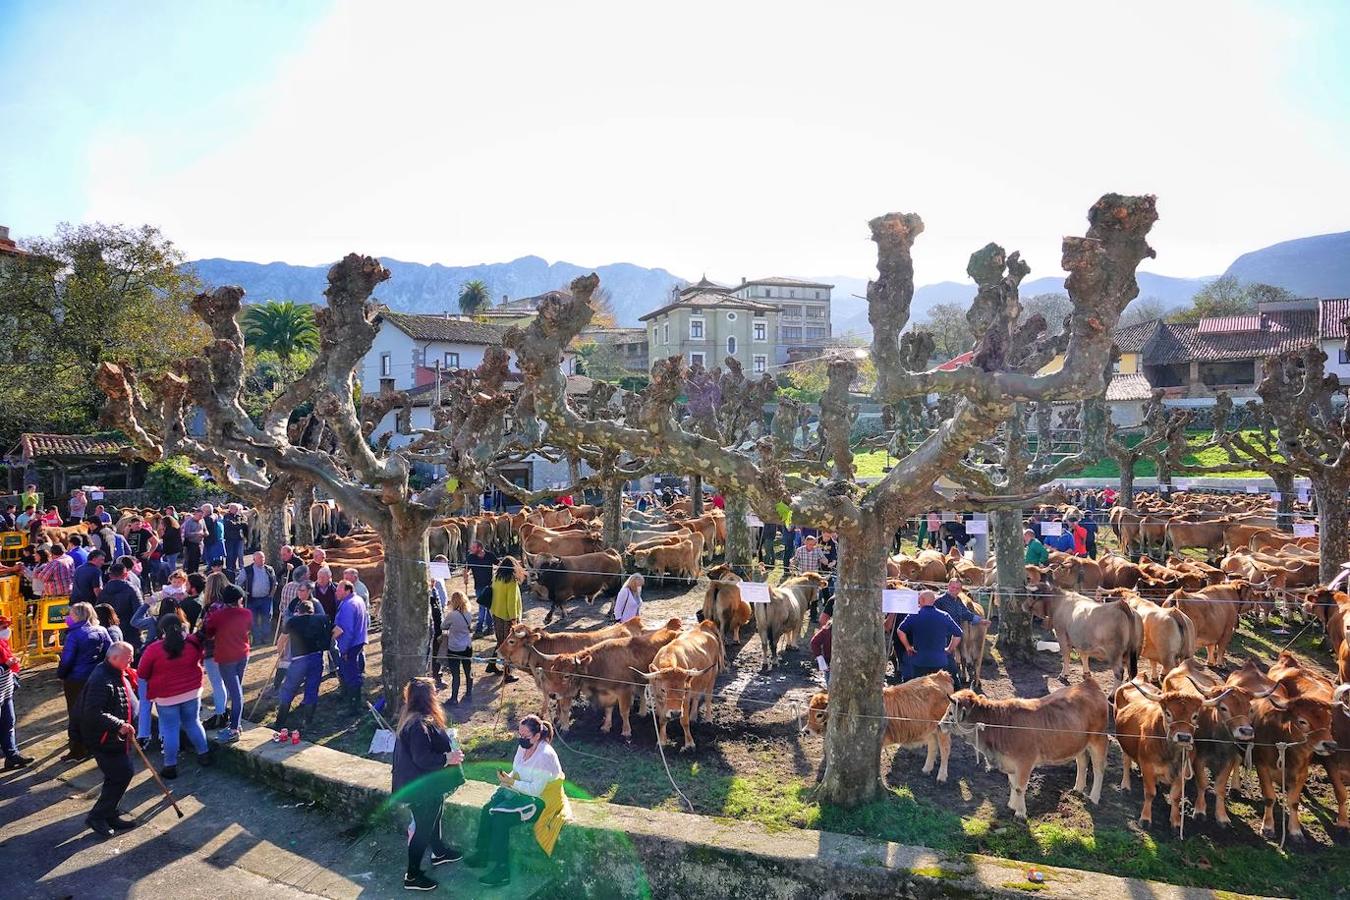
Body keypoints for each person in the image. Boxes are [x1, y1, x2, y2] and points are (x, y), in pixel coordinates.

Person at [463, 714, 570, 887]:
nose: (521, 739)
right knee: (488, 808)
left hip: (542, 800)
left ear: (537, 736)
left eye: (525, 736)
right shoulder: (524, 746)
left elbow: (536, 790)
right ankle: (482, 854)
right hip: (524, 792)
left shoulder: (544, 756)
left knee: (500, 819)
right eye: (519, 735)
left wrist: (512, 782)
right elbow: (517, 770)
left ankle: (502, 871)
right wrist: (507, 778)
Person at [392, 677, 466, 891]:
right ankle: (412, 876)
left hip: (421, 784)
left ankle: (439, 852)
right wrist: (448, 758)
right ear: (428, 697)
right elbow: (422, 758)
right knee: (423, 828)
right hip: (421, 787)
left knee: (435, 814)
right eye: (434, 692)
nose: (437, 695)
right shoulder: (419, 724)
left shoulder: (412, 718)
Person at [137, 614, 213, 779]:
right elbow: (200, 658)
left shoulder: (154, 649)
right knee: (193, 723)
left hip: (166, 697)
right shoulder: (192, 643)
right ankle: (204, 754)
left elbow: (142, 673)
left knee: (170, 729)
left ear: (162, 630)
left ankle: (170, 766)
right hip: (192, 692)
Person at [79, 641, 140, 837]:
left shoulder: (115, 672)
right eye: (127, 657)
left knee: (118, 776)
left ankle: (110, 813)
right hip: (104, 738)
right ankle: (97, 816)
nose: (131, 660)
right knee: (121, 774)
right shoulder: (101, 679)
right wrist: (119, 725)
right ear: (113, 658)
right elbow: (93, 712)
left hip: (117, 738)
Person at [57, 602, 111, 762]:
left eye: (71, 614)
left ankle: (78, 750)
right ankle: (95, 745)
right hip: (95, 677)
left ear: (77, 616)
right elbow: (109, 651)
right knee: (94, 711)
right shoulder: (101, 630)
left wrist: (61, 674)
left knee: (76, 715)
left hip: (75, 679)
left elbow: (67, 660)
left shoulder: (74, 635)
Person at [204, 583, 252, 743]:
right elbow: (249, 629)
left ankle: (234, 729)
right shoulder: (246, 613)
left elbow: (209, 633)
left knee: (236, 693)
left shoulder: (217, 616)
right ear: (239, 599)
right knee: (236, 689)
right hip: (243, 654)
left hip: (226, 658)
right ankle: (235, 724)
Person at [274, 598, 331, 729]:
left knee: (288, 689)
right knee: (312, 689)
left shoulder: (292, 621)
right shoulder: (321, 619)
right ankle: (307, 722)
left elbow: (282, 640)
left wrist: (281, 654)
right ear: (312, 612)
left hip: (299, 660)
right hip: (316, 658)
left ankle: (280, 721)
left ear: (298, 611)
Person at [896, 590, 962, 681]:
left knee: (920, 689)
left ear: (922, 600)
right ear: (933, 601)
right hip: (940, 660)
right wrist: (950, 649)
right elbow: (958, 634)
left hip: (920, 660)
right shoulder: (944, 615)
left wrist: (908, 647)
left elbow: (900, 631)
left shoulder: (914, 615)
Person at [0, 615, 34, 770]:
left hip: (6, 692)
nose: (6, 631)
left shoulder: (3, 644)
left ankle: (12, 756)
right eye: (2, 628)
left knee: (9, 723)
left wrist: (12, 673)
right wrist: (6, 666)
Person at [332, 579, 369, 712]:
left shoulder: (348, 605)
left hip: (351, 645)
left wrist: (345, 650)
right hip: (359, 641)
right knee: (352, 672)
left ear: (347, 590)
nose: (336, 592)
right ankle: (351, 700)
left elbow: (346, 630)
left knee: (351, 675)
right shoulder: (358, 600)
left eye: (339, 590)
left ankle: (354, 707)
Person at [486, 558, 522, 683]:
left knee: (500, 641)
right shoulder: (511, 580)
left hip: (496, 614)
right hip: (507, 617)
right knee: (508, 645)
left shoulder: (496, 577)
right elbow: (511, 602)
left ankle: (491, 664)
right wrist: (514, 620)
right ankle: (507, 675)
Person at [100, 563, 143, 655]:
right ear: (126, 574)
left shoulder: (104, 590)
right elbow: (139, 609)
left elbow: (99, 609)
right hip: (130, 628)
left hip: (110, 628)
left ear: (110, 575)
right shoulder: (132, 589)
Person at [441, 591, 474, 704]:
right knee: (468, 670)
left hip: (454, 647)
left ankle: (454, 698)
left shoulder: (452, 615)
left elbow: (443, 626)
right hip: (467, 646)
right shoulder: (468, 614)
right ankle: (469, 692)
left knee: (455, 674)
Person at [236, 551, 277, 643]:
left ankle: (266, 638)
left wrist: (271, 594)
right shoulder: (247, 570)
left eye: (263, 558)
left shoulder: (269, 569)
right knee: (253, 620)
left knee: (266, 618)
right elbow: (238, 583)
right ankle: (257, 639)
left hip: (266, 599)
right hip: (251, 600)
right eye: (259, 558)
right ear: (254, 559)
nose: (262, 560)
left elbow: (274, 583)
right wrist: (243, 593)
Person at [466, 541, 498, 637]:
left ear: (480, 548)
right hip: (479, 586)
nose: (471, 549)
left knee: (488, 607)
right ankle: (482, 628)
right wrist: (466, 576)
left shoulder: (490, 555)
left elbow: (499, 564)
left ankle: (487, 627)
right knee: (482, 607)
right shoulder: (471, 557)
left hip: (490, 586)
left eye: (474, 547)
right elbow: (466, 569)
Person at [223, 503, 248, 573]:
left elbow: (245, 524)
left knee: (236, 554)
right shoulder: (226, 516)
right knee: (230, 554)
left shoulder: (239, 516)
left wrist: (237, 524)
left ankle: (234, 568)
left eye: (237, 509)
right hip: (230, 539)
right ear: (230, 509)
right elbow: (229, 524)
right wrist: (239, 524)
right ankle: (229, 568)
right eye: (235, 509)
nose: (237, 510)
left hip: (239, 538)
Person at [158, 511, 182, 575]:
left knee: (171, 565)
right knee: (171, 564)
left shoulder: (171, 530)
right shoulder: (175, 528)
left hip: (172, 550)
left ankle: (173, 576)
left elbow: (164, 537)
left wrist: (161, 530)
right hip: (174, 549)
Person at [181, 508, 205, 574]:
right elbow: (186, 534)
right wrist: (196, 533)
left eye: (202, 516)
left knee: (197, 561)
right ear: (195, 514)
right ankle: (190, 577)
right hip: (191, 544)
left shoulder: (202, 521)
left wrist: (204, 534)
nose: (201, 517)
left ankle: (196, 575)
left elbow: (206, 531)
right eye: (199, 515)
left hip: (199, 544)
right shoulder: (189, 522)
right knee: (191, 562)